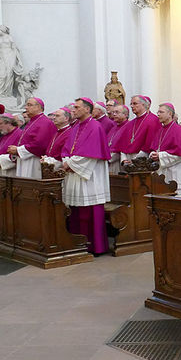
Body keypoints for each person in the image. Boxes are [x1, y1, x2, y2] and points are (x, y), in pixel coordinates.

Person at [61, 97, 111, 254]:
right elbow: (67, 149)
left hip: (91, 177)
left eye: (76, 107)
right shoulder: (75, 126)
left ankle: (94, 246)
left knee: (91, 211)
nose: (73, 110)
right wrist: (66, 161)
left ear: (87, 109)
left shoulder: (95, 127)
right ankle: (78, 243)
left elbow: (91, 154)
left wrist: (70, 164)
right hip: (77, 173)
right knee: (77, 210)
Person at [150, 103, 181, 198]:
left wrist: (160, 156)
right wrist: (153, 154)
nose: (158, 114)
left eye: (161, 112)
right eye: (158, 112)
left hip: (176, 173)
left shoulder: (178, 130)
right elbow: (155, 148)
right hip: (162, 172)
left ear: (170, 114)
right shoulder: (160, 130)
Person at [7, 97, 56, 179]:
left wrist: (18, 150)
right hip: (25, 158)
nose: (26, 107)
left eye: (29, 105)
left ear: (38, 107)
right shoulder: (32, 121)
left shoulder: (45, 122)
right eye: (26, 105)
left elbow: (40, 144)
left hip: (34, 161)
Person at [115, 95, 162, 165]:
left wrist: (135, 160)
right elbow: (122, 146)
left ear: (143, 104)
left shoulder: (153, 120)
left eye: (135, 103)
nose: (131, 106)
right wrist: (124, 159)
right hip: (128, 162)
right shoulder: (130, 124)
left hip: (143, 162)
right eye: (131, 104)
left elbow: (149, 146)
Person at [106, 104, 130, 173]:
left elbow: (122, 148)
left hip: (118, 162)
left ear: (125, 115)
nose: (114, 114)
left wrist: (108, 159)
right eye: (113, 112)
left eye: (117, 112)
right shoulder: (114, 127)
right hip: (109, 160)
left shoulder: (128, 127)